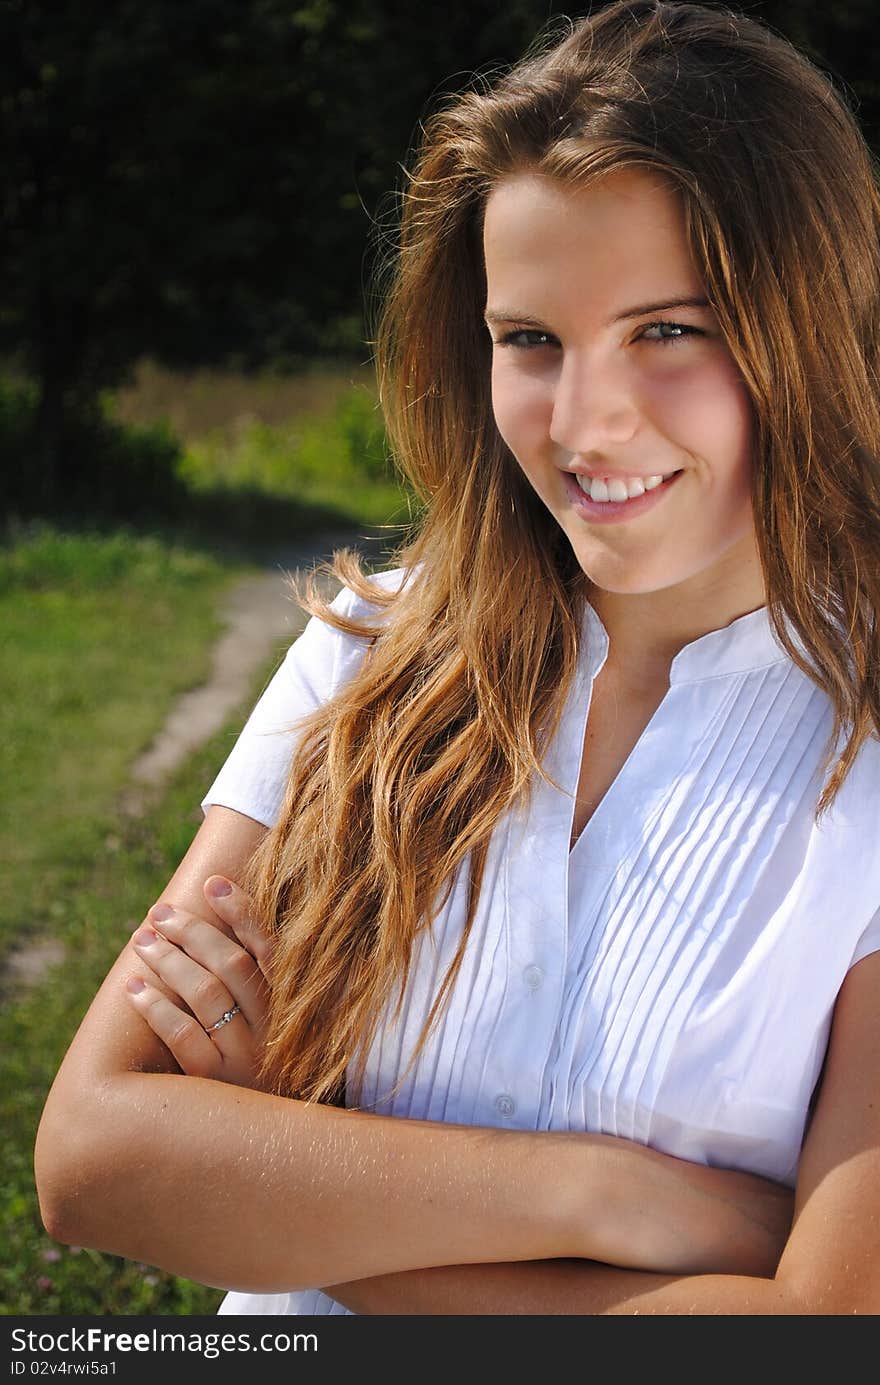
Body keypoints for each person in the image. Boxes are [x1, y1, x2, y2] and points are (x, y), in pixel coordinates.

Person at [35, 0, 880, 1315]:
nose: (588, 424)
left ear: (813, 325)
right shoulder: (368, 651)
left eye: (669, 329)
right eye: (530, 340)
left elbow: (817, 1329)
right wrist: (613, 1197)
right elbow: (96, 1156)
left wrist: (301, 1173)